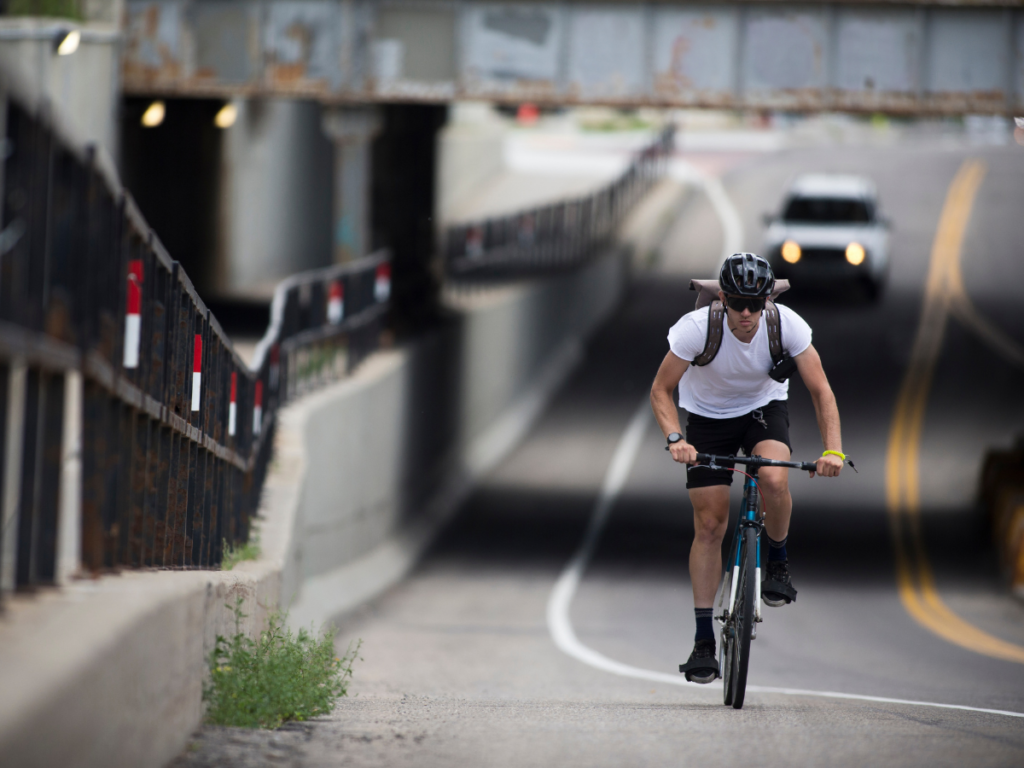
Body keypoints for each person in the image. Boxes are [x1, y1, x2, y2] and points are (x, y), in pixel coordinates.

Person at [649, 253, 845, 684]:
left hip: (763, 408)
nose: (746, 314)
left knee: (774, 475)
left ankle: (777, 559)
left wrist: (833, 451)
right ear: (722, 298)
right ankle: (704, 642)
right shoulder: (697, 330)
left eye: (755, 304)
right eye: (737, 303)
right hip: (706, 419)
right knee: (710, 524)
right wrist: (676, 440)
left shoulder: (786, 324)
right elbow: (661, 390)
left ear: (766, 302)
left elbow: (821, 390)